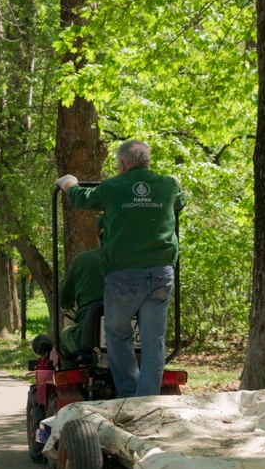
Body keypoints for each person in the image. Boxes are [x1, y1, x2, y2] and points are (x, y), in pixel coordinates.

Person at [58, 140, 185, 397]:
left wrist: (69, 183)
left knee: (116, 333)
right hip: (161, 273)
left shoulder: (112, 187)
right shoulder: (168, 185)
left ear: (123, 164)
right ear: (148, 161)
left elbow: (82, 199)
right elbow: (179, 204)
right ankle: (147, 398)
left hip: (125, 274)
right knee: (154, 340)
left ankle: (128, 395)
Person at [58, 221, 105, 360]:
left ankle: (70, 380)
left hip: (88, 336)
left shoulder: (82, 261)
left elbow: (65, 301)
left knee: (63, 338)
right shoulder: (137, 263)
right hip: (136, 336)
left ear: (97, 234)